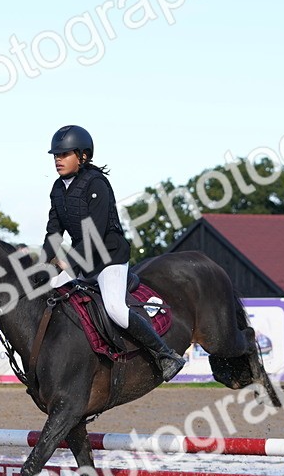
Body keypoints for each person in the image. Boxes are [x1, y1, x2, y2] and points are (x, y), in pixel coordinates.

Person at [42, 125, 185, 381]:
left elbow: (95, 235)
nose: (58, 160)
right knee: (48, 295)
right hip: (82, 258)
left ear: (83, 156)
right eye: (56, 156)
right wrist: (41, 267)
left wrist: (71, 265)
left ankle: (165, 355)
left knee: (116, 308)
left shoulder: (97, 184)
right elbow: (54, 231)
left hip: (109, 258)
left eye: (63, 155)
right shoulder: (57, 188)